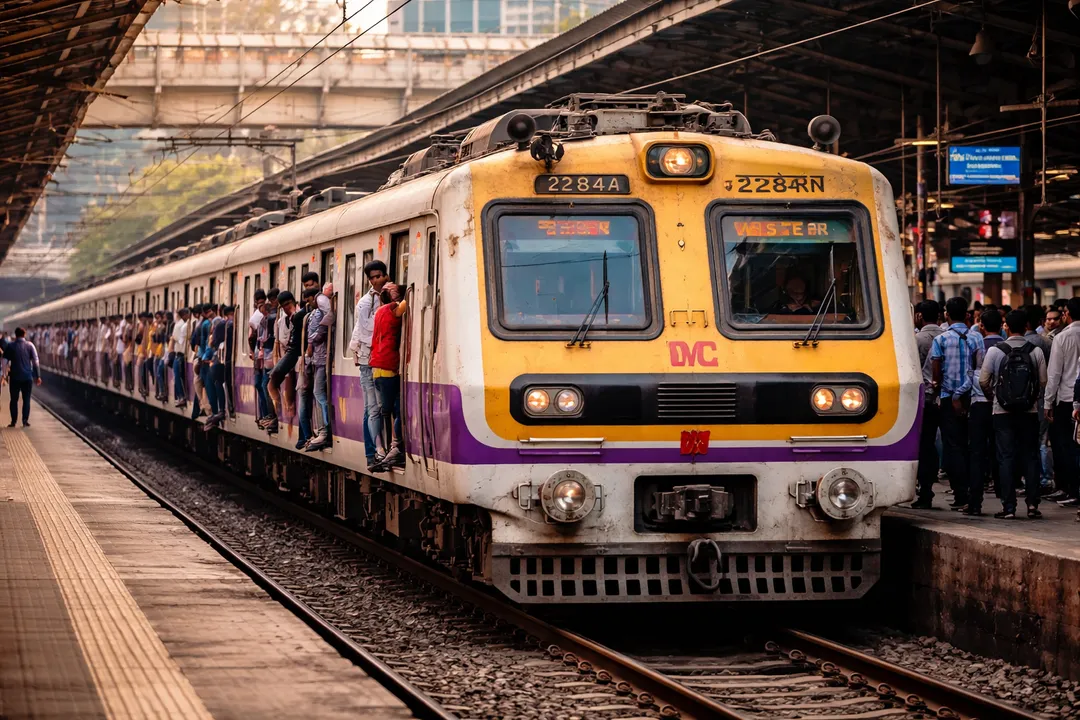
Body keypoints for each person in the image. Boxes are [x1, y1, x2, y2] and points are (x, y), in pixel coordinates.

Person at [979, 310, 1047, 519]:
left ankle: (1008, 507)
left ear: (1005, 326)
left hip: (1002, 412)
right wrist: (1031, 397)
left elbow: (983, 380)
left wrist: (995, 397)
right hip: (1029, 411)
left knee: (1005, 457)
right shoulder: (1036, 351)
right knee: (1030, 456)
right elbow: (1043, 381)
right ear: (1027, 326)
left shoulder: (995, 351)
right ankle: (1032, 505)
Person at [929, 296, 981, 512]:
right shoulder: (976, 337)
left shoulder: (940, 340)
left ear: (946, 314)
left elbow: (936, 370)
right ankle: (973, 493)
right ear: (967, 314)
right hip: (973, 398)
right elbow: (979, 370)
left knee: (953, 446)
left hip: (949, 398)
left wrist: (942, 389)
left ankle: (961, 494)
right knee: (973, 446)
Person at [348, 260, 389, 468]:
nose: (376, 280)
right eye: (372, 278)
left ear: (386, 275)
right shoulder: (365, 303)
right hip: (367, 360)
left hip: (380, 359)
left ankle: (373, 453)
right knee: (373, 408)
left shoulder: (388, 296)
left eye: (379, 276)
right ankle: (377, 451)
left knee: (374, 408)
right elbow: (366, 330)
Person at [368, 282, 408, 471]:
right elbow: (406, 304)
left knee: (386, 410)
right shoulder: (393, 308)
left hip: (377, 367)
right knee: (396, 409)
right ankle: (394, 447)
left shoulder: (379, 311)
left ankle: (387, 449)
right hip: (387, 366)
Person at [1044, 297, 1080, 506]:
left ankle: (1069, 489)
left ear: (1067, 314)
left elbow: (1054, 373)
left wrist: (1048, 402)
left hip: (1066, 399)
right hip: (1075, 398)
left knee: (1065, 446)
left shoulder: (1063, 337)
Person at [911, 300, 944, 509]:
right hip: (947, 398)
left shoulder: (916, 340)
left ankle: (925, 491)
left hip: (924, 399)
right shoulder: (948, 336)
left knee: (924, 444)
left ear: (920, 316)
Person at [267, 290, 302, 439]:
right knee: (270, 383)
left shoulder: (300, 315)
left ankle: (285, 416)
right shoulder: (281, 322)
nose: (287, 308)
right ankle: (278, 414)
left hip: (298, 357)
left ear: (294, 302)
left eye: (288, 304)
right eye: (284, 306)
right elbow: (279, 343)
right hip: (287, 356)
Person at [304, 286, 334, 451]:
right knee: (317, 393)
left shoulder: (321, 302)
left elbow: (328, 318)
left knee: (318, 393)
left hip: (322, 358)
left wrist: (311, 341)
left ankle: (324, 430)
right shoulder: (316, 310)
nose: (309, 304)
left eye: (309, 300)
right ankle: (322, 428)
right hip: (317, 359)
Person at [4, 328, 41, 428]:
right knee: (26, 399)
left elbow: (4, 361)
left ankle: (13, 421)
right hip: (27, 377)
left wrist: (4, 375)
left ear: (15, 335)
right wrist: (38, 376)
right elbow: (36, 361)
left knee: (13, 400)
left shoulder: (10, 346)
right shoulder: (30, 345)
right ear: (24, 334)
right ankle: (25, 421)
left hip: (14, 377)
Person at [248, 289, 269, 426]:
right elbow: (251, 337)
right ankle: (263, 414)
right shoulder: (256, 317)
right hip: (258, 355)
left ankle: (266, 414)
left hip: (264, 355)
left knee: (262, 384)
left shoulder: (262, 316)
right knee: (259, 384)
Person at [170, 307, 191, 407]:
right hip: (180, 354)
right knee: (179, 377)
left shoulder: (179, 325)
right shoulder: (182, 325)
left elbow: (174, 338)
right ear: (185, 315)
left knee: (178, 377)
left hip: (179, 354)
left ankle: (181, 397)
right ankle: (181, 397)